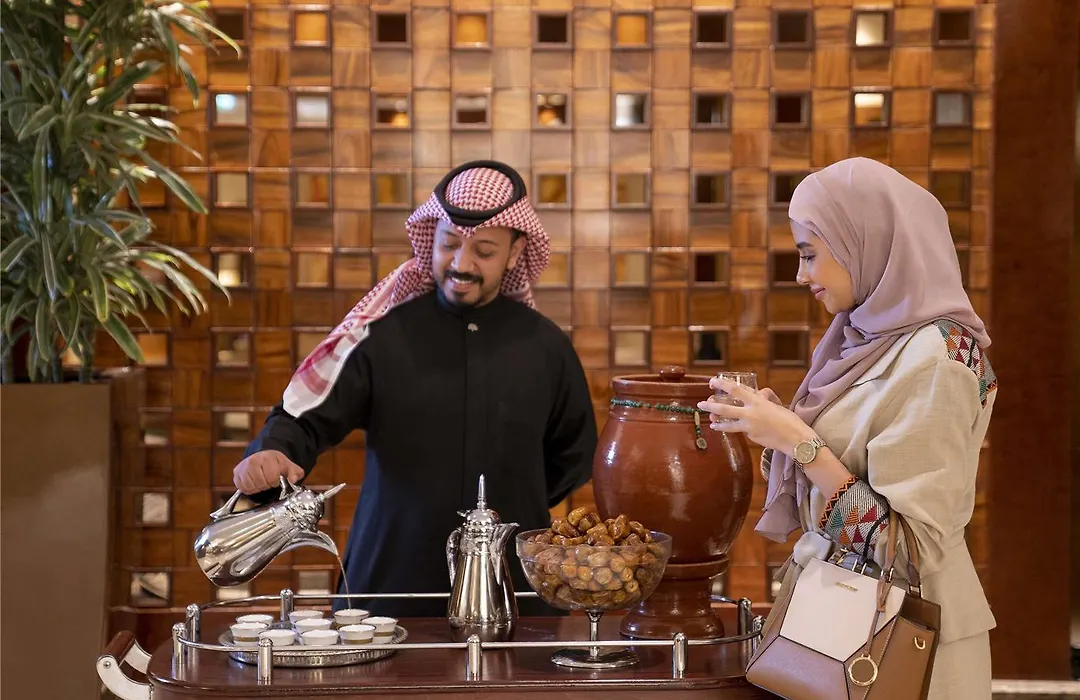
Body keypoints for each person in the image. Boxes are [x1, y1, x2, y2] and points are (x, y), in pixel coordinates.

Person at [233, 160, 597, 618]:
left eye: (484, 251)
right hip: (390, 584)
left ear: (515, 252)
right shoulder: (384, 336)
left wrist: (513, 494)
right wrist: (272, 451)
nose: (461, 264)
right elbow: (304, 418)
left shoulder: (546, 347)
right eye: (449, 245)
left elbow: (575, 457)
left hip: (511, 590)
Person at [698, 157, 997, 699]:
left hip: (904, 650)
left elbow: (907, 551)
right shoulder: (867, 340)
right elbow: (846, 469)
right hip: (841, 627)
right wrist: (777, 433)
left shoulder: (937, 360)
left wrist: (800, 442)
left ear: (865, 240)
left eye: (810, 253)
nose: (801, 275)